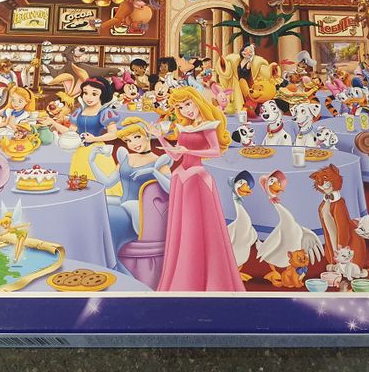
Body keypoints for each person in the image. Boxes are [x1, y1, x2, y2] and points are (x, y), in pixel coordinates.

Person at [148, 87, 244, 292]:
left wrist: (188, 150)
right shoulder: (183, 128)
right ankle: (183, 277)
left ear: (197, 101)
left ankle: (205, 279)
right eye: (180, 107)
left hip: (197, 179)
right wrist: (161, 138)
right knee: (182, 231)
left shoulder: (209, 126)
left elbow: (216, 151)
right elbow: (176, 156)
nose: (186, 110)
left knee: (199, 229)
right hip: (180, 178)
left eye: (187, 104)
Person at [89, 117, 172, 274]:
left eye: (137, 137)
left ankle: (114, 269)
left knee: (110, 215)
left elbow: (172, 189)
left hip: (141, 212)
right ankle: (100, 264)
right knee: (93, 207)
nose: (133, 143)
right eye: (128, 140)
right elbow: (107, 183)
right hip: (123, 204)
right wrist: (92, 162)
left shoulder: (159, 162)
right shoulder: (126, 158)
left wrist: (154, 172)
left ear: (147, 135)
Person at [41, 76, 122, 195]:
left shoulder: (105, 112)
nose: (88, 97)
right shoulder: (79, 112)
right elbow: (71, 133)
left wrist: (95, 138)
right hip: (80, 152)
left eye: (94, 94)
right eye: (85, 93)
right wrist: (53, 123)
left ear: (102, 95)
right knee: (79, 185)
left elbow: (113, 134)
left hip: (97, 152)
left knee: (100, 185)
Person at [215, 43, 273, 112]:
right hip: (237, 84)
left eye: (250, 52)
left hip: (246, 84)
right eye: (245, 50)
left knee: (249, 100)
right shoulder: (237, 61)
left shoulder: (250, 63)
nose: (247, 53)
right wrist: (220, 56)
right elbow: (226, 68)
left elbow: (254, 69)